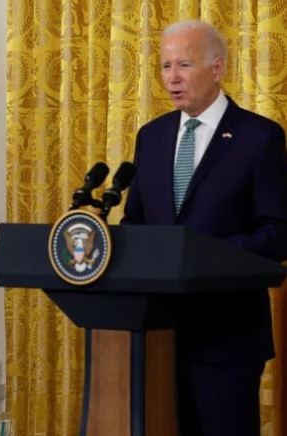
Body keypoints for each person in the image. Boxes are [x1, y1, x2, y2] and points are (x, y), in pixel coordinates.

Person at [122, 19, 287, 435]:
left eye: (184, 65)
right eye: (165, 66)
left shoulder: (259, 137)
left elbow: (276, 234)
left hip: (225, 341)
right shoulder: (151, 137)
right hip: (157, 339)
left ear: (217, 68)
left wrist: (201, 255)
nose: (172, 78)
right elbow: (135, 224)